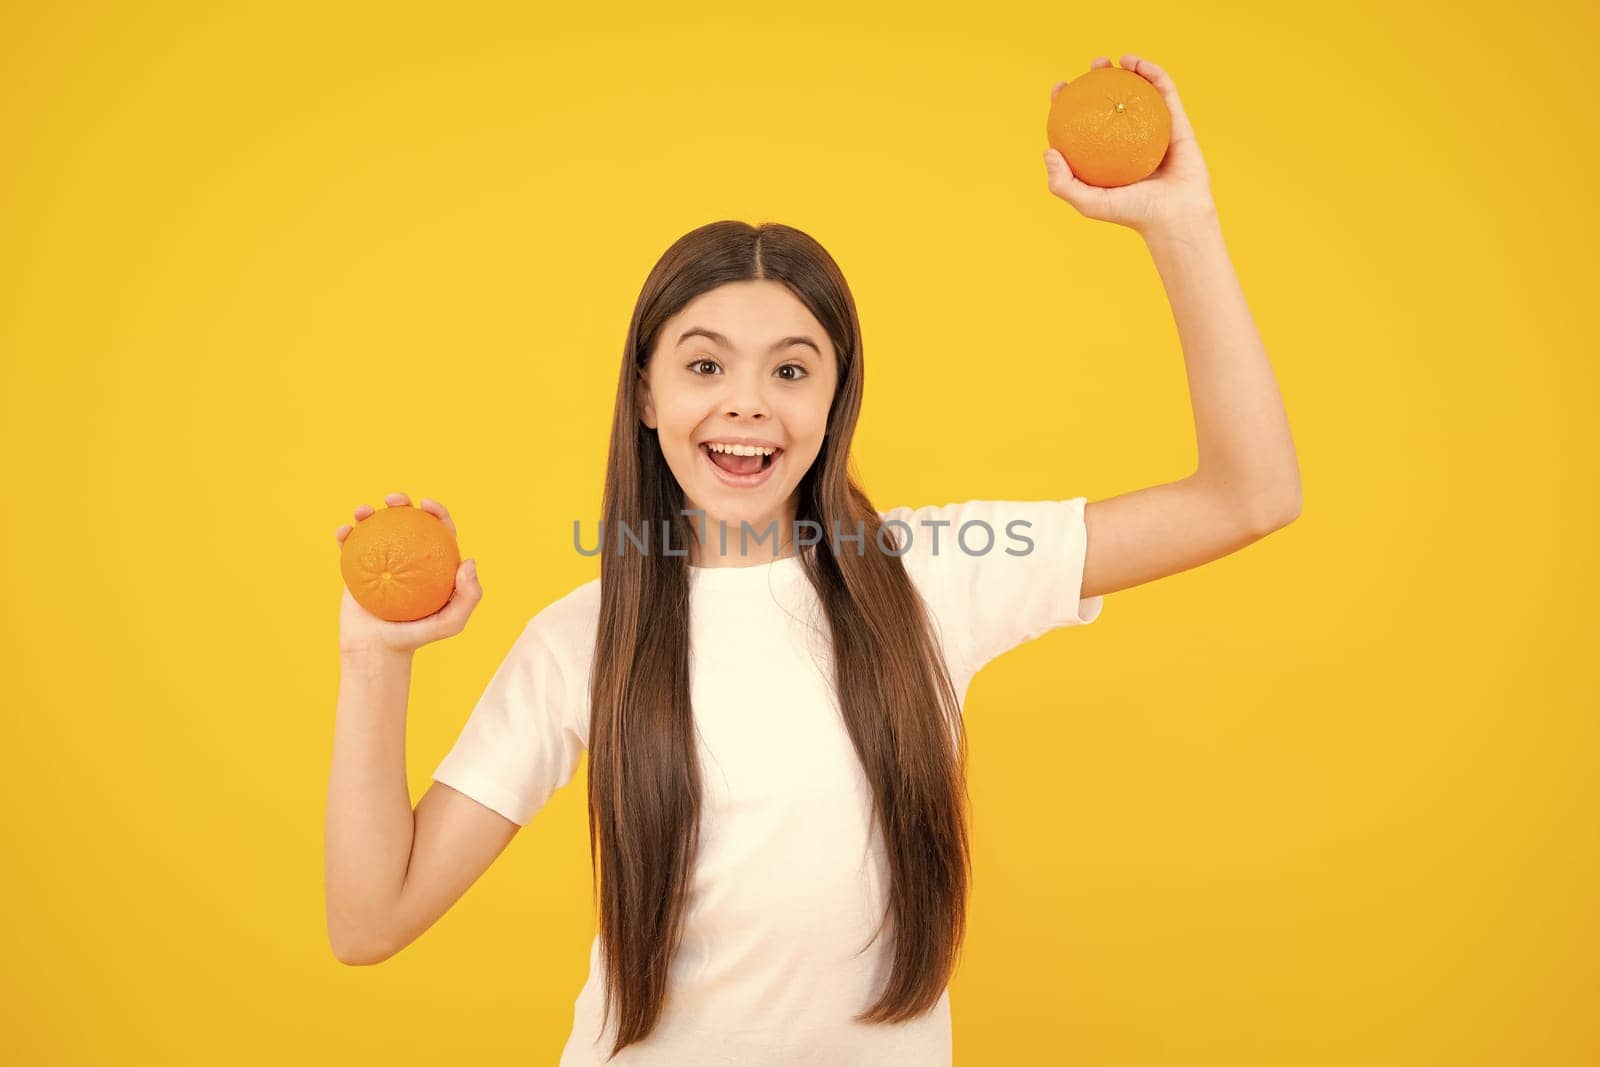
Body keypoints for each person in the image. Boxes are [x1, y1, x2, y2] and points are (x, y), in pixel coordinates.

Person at [324, 54, 1301, 1067]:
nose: (747, 401)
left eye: (791, 369)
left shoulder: (932, 572)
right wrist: (375, 657)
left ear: (834, 400)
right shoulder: (582, 638)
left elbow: (1249, 495)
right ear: (648, 395)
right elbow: (369, 921)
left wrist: (1179, 226)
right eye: (704, 364)